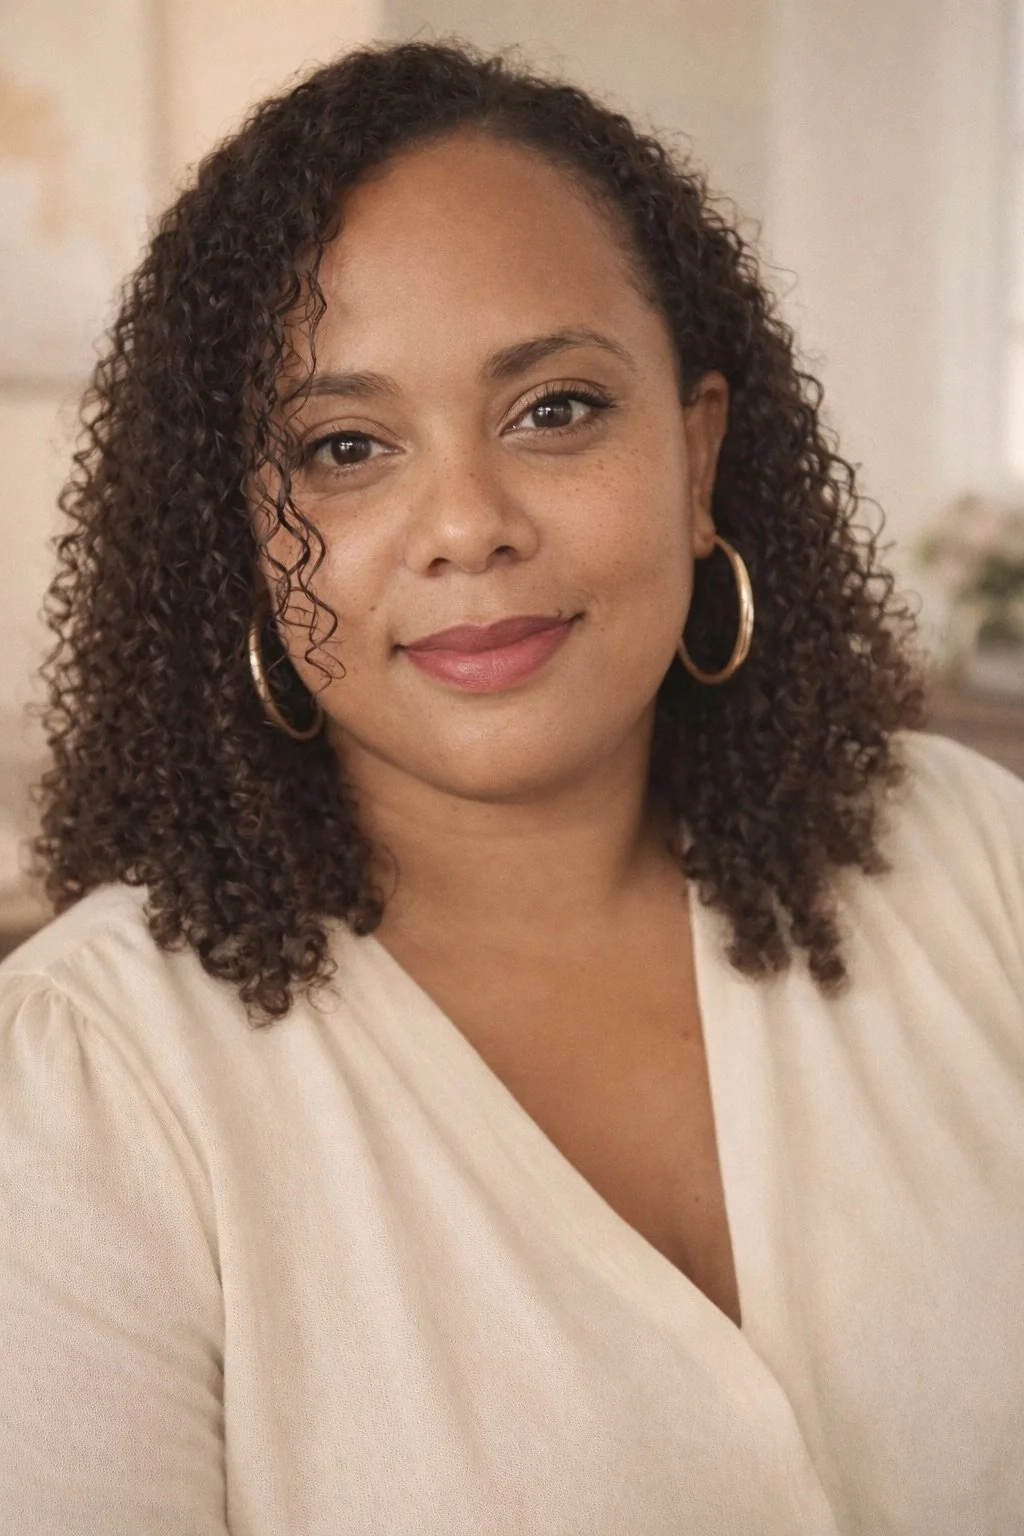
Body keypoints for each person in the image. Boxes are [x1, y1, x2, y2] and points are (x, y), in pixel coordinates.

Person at [0, 37, 1021, 1536]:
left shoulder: (977, 864)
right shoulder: (94, 1086)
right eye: (345, 448)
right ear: (237, 542)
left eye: (554, 410)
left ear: (697, 451)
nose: (466, 525)